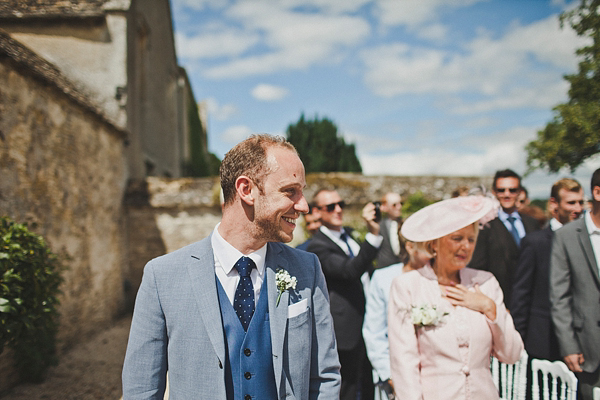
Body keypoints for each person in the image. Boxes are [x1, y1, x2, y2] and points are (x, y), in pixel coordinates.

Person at [122, 134, 341, 399]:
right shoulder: (163, 276)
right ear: (246, 190)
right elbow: (141, 390)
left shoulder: (307, 268)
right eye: (290, 191)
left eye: (302, 191)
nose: (304, 206)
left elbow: (325, 376)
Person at [388, 195, 523, 400]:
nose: (466, 247)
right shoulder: (408, 286)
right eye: (457, 238)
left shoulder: (486, 283)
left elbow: (511, 355)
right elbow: (404, 361)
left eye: (471, 239)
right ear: (434, 244)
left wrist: (489, 307)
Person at [307, 189, 382, 400]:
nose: (338, 210)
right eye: (331, 207)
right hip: (344, 330)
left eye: (341, 204)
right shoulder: (318, 246)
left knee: (367, 383)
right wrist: (373, 236)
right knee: (346, 388)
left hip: (367, 323)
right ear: (317, 212)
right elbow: (349, 271)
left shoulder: (348, 237)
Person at [511, 178, 584, 362]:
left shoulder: (586, 240)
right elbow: (522, 293)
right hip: (543, 342)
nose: (578, 208)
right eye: (571, 202)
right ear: (554, 204)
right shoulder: (535, 242)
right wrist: (518, 340)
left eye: (581, 202)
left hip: (582, 342)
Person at [363, 226, 431, 400]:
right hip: (395, 376)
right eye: (428, 247)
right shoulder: (384, 278)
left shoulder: (440, 279)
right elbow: (374, 332)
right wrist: (390, 375)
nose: (434, 253)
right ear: (410, 247)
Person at [550, 168, 600, 400]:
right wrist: (568, 345)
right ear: (597, 193)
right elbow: (559, 296)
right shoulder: (567, 236)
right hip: (588, 348)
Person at [469, 169, 540, 309]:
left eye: (512, 190)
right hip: (500, 302)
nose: (507, 194)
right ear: (494, 192)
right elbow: (477, 267)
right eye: (501, 190)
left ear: (520, 192)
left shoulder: (533, 224)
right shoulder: (485, 226)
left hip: (531, 303)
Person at [376, 192, 404, 269]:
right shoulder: (378, 226)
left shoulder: (406, 224)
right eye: (394, 205)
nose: (399, 207)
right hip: (386, 268)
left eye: (401, 203)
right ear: (384, 207)